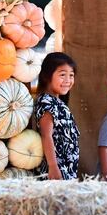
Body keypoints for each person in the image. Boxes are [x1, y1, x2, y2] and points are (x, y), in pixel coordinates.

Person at [35, 52, 80, 180]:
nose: (68, 80)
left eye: (71, 75)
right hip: (56, 170)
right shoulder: (46, 102)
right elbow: (46, 135)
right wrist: (53, 166)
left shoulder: (57, 102)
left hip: (67, 168)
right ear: (46, 76)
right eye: (62, 75)